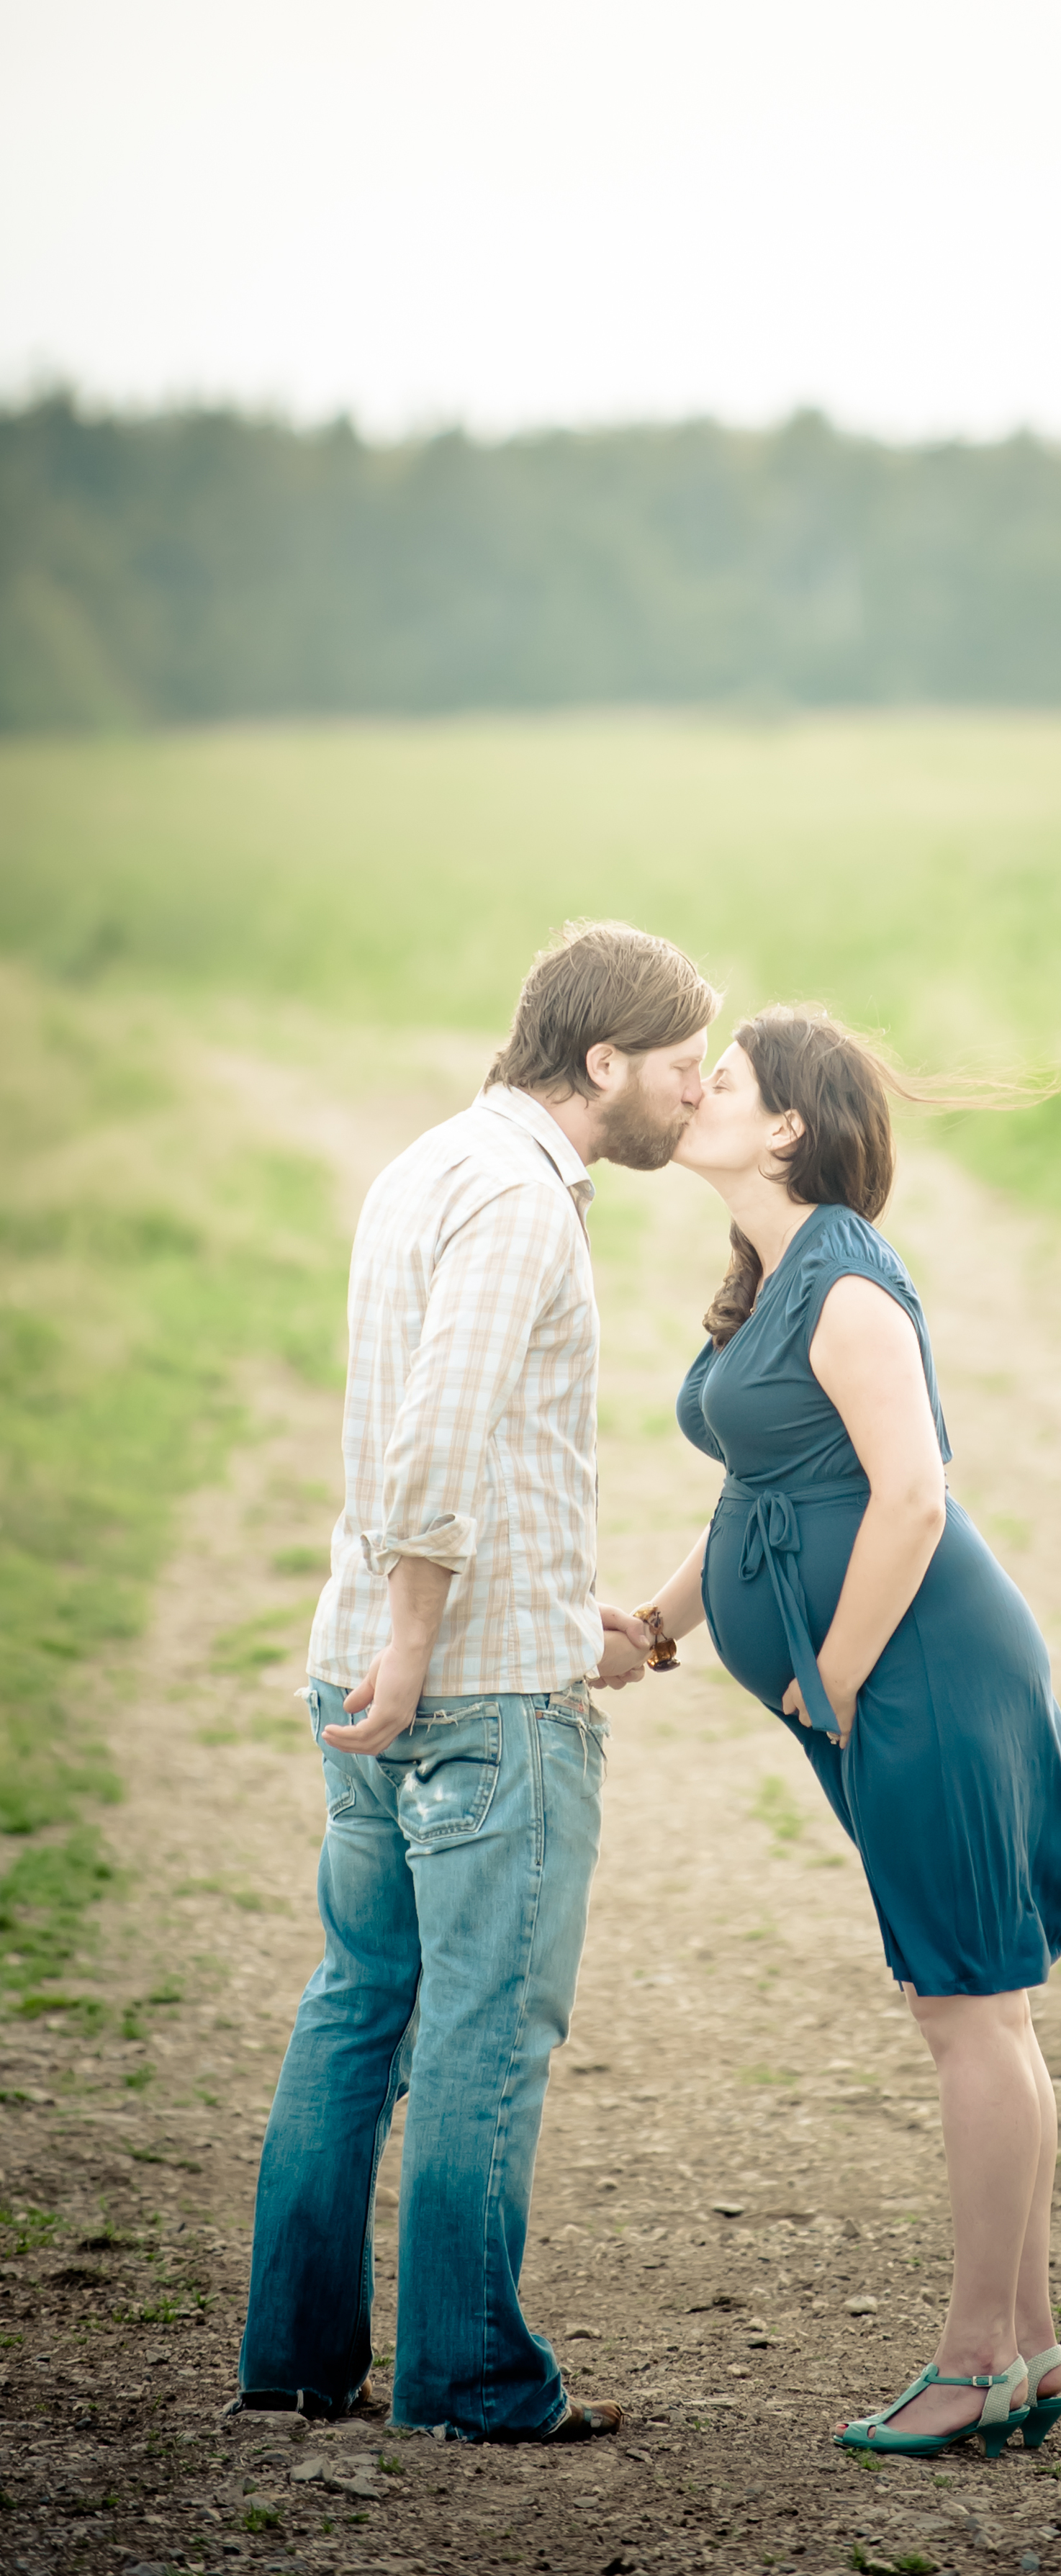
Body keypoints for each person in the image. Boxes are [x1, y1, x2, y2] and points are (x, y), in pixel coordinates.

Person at [233, 919, 718, 2443]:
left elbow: (476, 1465)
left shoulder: (432, 1162)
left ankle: (297, 2362)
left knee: (357, 2001)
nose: (694, 1098)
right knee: (482, 2027)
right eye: (680, 1068)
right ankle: (470, 2377)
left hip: (391, 1660)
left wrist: (590, 1624)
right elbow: (436, 1443)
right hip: (461, 1695)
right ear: (600, 1060)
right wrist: (424, 1640)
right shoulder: (523, 1201)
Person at [636, 1006, 1061, 2460]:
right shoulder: (766, 1277)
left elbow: (911, 1497)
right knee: (974, 2008)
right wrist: (654, 1626)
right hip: (881, 1683)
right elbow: (760, 1498)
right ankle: (1021, 2350)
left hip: (931, 1675)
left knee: (966, 2005)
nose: (694, 1093)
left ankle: (976, 2358)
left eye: (720, 1079)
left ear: (783, 1127)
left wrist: (830, 1676)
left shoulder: (842, 1284)